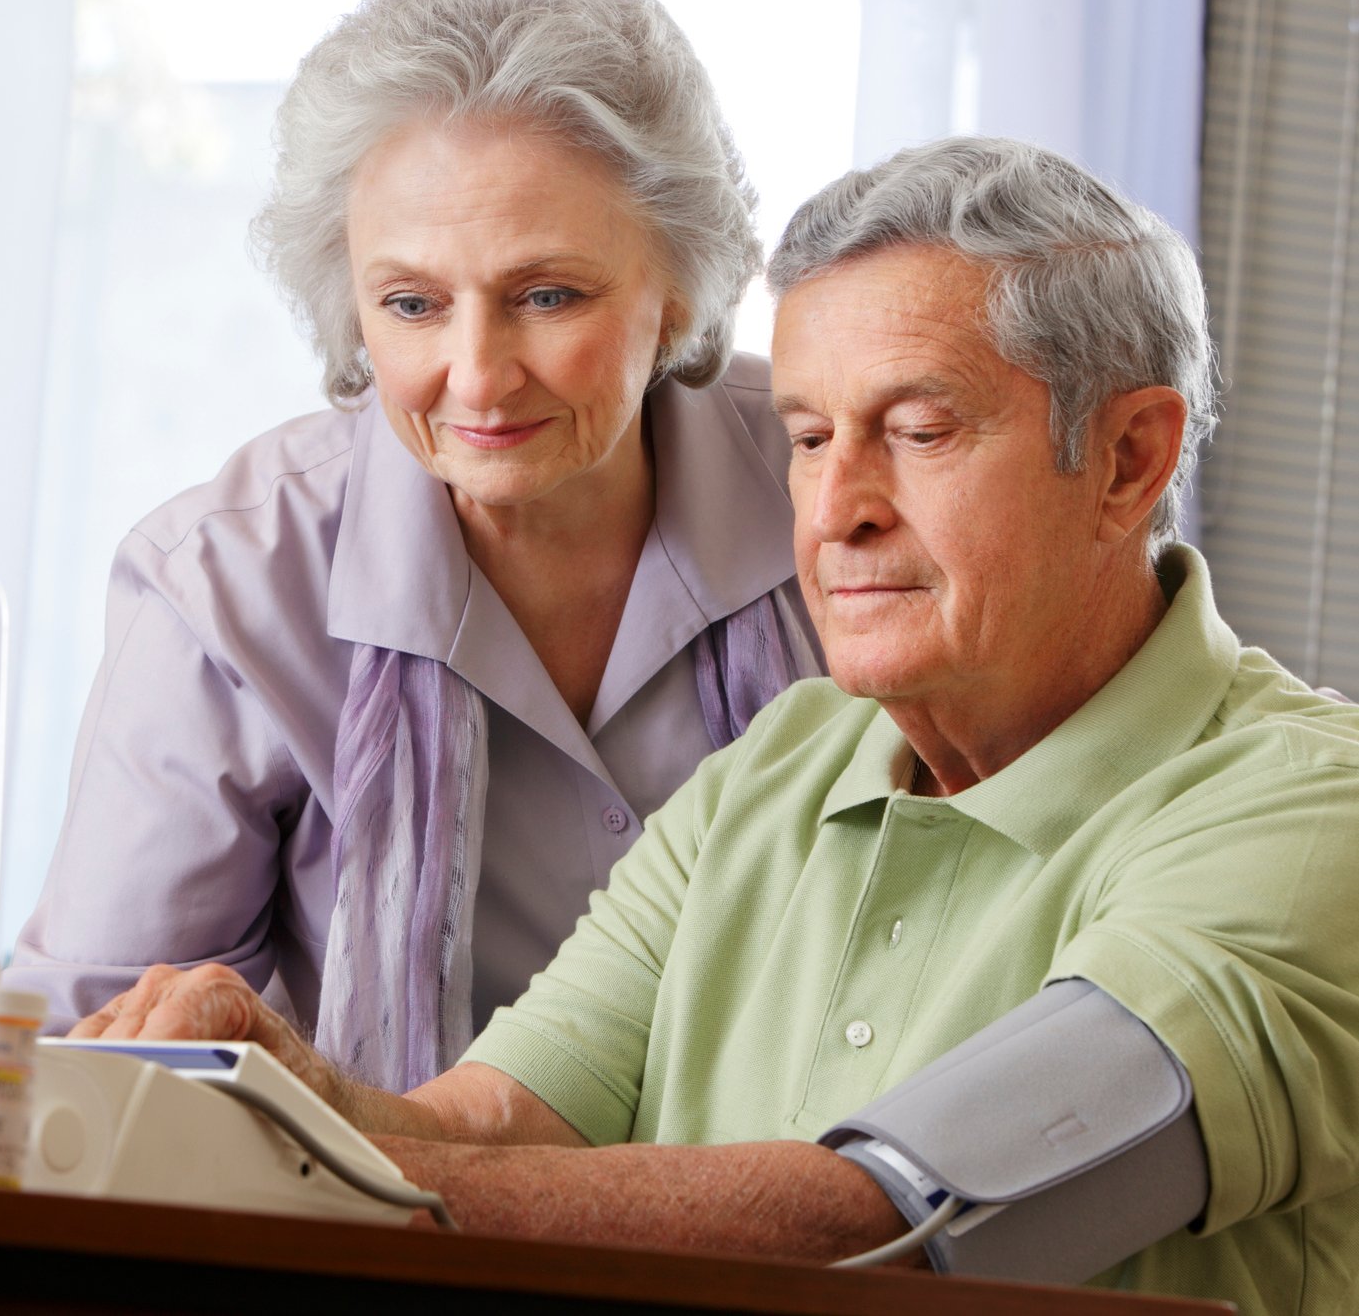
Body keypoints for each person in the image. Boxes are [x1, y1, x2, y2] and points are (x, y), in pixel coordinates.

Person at [68, 136, 1359, 1311]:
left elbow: (889, 1221)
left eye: (916, 430)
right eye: (806, 437)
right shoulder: (784, 759)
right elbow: (492, 1126)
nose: (836, 508)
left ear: (1130, 461)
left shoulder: (1312, 819)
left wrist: (292, 1167)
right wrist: (270, 1074)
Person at [6, 0, 818, 1089]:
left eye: (548, 296)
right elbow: (101, 1063)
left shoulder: (836, 482)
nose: (477, 377)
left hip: (794, 1242)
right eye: (413, 304)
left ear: (679, 284)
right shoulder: (227, 584)